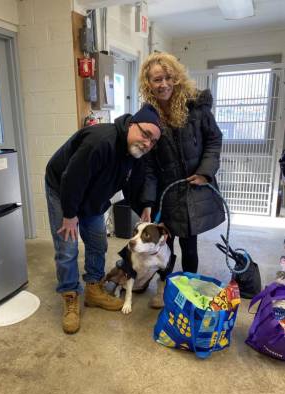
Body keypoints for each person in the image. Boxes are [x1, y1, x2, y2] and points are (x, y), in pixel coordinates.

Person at [45, 104, 161, 334]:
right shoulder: (101, 141)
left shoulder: (136, 154)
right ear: (131, 125)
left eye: (153, 141)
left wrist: (145, 207)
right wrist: (69, 215)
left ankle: (93, 289)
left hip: (94, 193)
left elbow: (135, 186)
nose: (148, 143)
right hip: (63, 188)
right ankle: (70, 296)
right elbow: (72, 178)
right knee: (67, 247)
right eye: (145, 134)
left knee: (98, 241)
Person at [138, 52, 225, 308]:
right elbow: (149, 165)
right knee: (164, 244)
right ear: (148, 84)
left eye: (167, 77)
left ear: (176, 78)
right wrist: (147, 202)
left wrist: (205, 171)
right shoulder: (148, 116)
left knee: (189, 245)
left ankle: (188, 290)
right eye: (157, 79)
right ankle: (163, 287)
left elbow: (214, 139)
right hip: (167, 193)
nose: (163, 84)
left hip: (194, 187)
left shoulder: (195, 107)